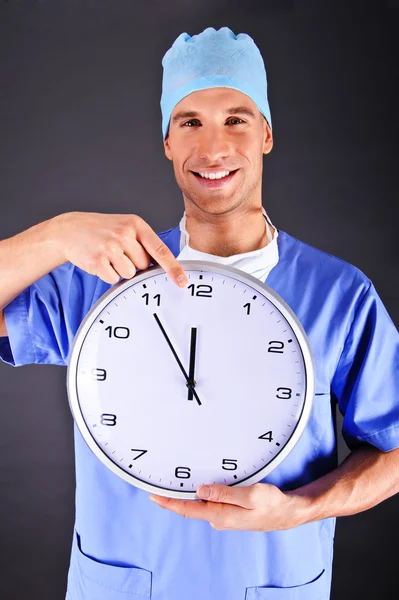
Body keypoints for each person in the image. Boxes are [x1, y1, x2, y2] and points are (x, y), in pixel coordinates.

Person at [0, 25, 398, 600]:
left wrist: (297, 510)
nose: (213, 148)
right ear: (167, 141)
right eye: (191, 122)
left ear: (266, 133)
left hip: (271, 585)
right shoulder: (105, 276)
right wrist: (54, 236)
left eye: (235, 119)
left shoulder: (339, 294)